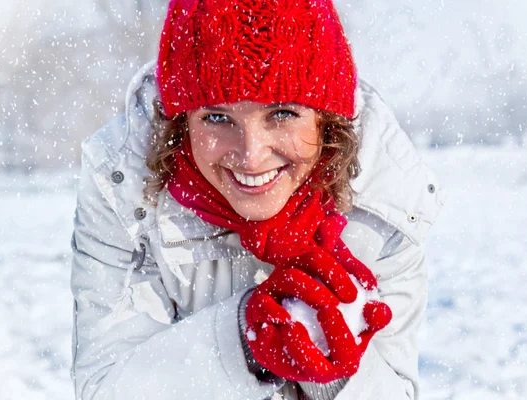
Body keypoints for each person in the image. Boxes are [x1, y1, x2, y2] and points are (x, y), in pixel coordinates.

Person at [69, 0, 446, 399]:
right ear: (180, 121)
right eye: (217, 118)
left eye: (281, 113)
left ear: (325, 118)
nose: (251, 155)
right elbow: (105, 386)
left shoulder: (385, 203)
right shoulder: (126, 191)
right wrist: (242, 346)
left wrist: (334, 377)